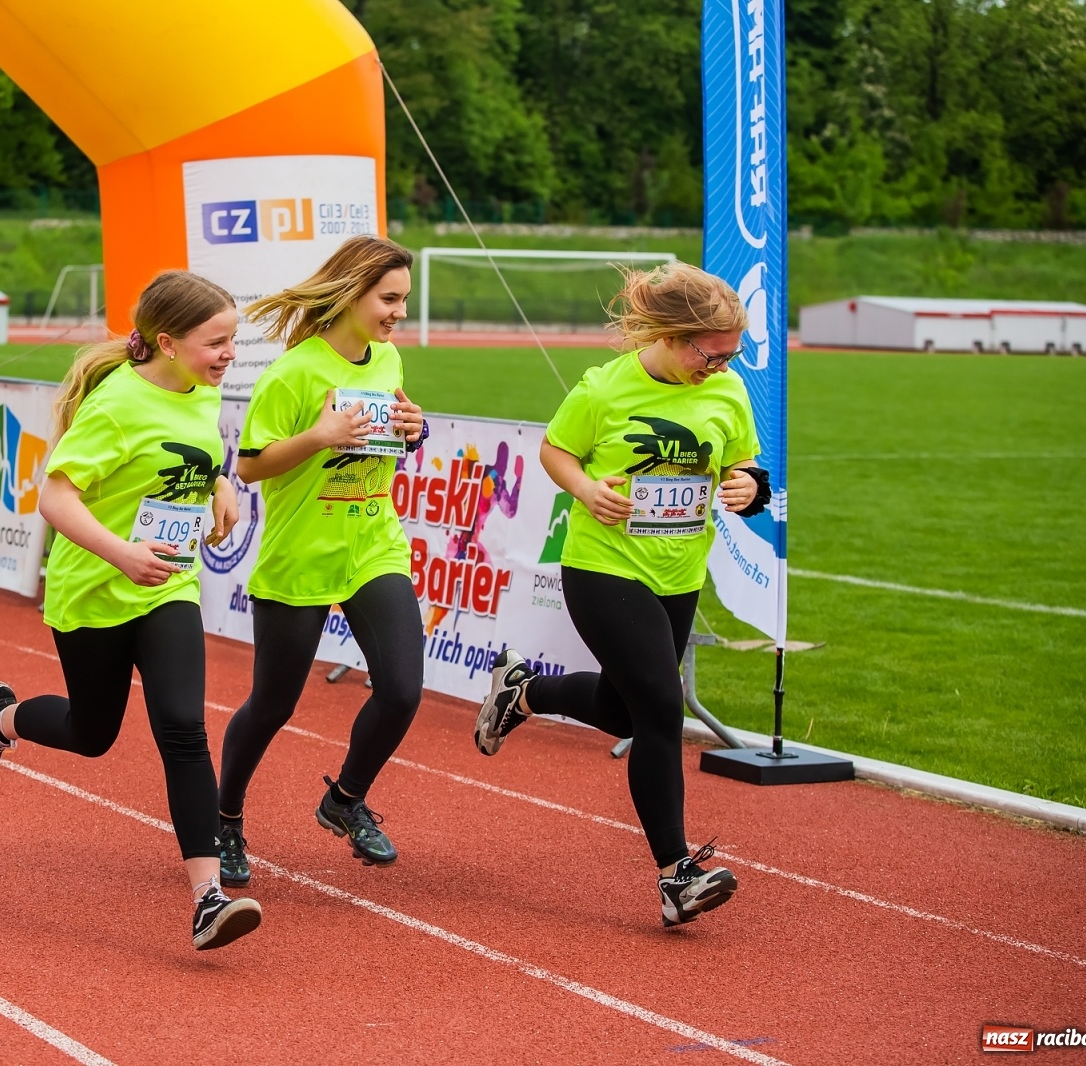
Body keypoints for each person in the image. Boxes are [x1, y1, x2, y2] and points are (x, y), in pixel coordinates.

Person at [0, 270, 261, 951]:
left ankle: (207, 901)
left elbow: (192, 452)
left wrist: (220, 483)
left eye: (232, 342)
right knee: (93, 733)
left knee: (184, 729)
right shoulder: (116, 405)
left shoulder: (197, 392)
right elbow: (57, 498)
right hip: (94, 590)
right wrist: (121, 553)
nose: (228, 355)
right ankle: (1, 718)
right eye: (216, 342)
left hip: (166, 586)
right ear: (166, 341)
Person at [473, 261, 772, 927]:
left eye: (732, 355)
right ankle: (677, 876)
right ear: (671, 335)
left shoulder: (728, 393)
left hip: (679, 571)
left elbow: (745, 464)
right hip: (604, 566)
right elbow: (556, 450)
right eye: (712, 354)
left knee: (625, 709)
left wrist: (752, 488)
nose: (723, 366)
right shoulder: (603, 389)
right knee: (662, 711)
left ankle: (525, 691)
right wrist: (585, 489)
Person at [215, 235, 429, 885]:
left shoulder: (387, 360)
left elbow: (387, 442)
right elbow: (248, 468)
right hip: (301, 553)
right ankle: (223, 821)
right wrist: (319, 436)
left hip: (372, 544)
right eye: (388, 299)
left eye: (403, 301)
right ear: (352, 292)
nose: (398, 313)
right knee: (273, 704)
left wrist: (415, 431)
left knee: (402, 689)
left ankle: (345, 799)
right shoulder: (295, 372)